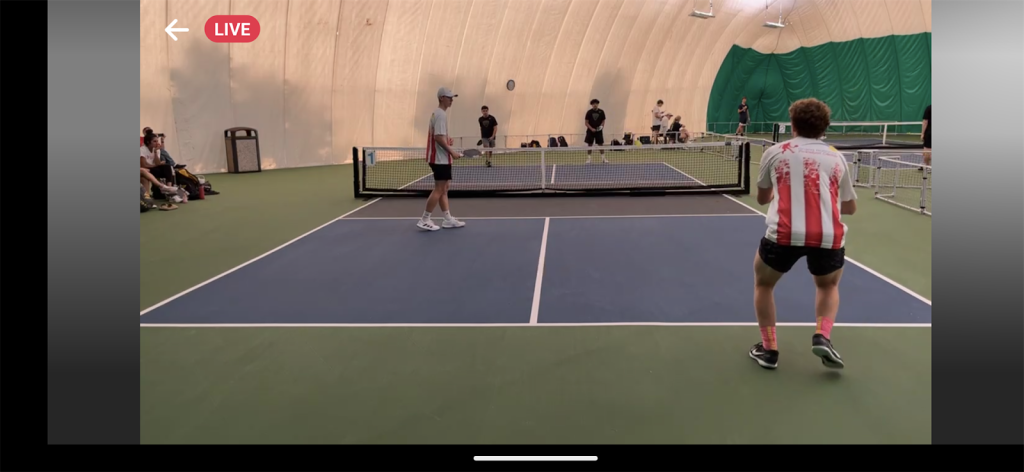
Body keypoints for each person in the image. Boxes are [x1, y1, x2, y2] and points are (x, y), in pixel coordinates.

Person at [748, 98, 858, 371]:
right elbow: (850, 207)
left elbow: (762, 198)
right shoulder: (836, 156)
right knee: (828, 285)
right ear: (824, 128)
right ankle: (823, 335)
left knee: (764, 284)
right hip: (828, 236)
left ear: (793, 124)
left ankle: (769, 350)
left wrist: (781, 192)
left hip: (783, 235)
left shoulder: (775, 151)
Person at [418, 87, 466, 232]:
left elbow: (440, 136)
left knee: (444, 188)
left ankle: (447, 219)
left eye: (452, 97)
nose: (452, 100)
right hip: (440, 159)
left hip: (439, 158)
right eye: (449, 97)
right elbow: (438, 138)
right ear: (441, 98)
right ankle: (424, 219)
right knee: (439, 189)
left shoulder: (438, 114)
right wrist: (452, 152)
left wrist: (447, 140)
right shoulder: (440, 115)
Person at [584, 99, 608, 164]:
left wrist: (600, 128)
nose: (595, 105)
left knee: (600, 144)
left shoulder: (601, 112)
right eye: (593, 104)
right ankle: (589, 159)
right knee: (590, 145)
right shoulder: (589, 112)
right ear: (591, 105)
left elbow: (603, 121)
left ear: (598, 104)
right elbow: (586, 123)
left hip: (599, 132)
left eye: (596, 103)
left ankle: (603, 159)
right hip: (590, 131)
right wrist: (591, 129)